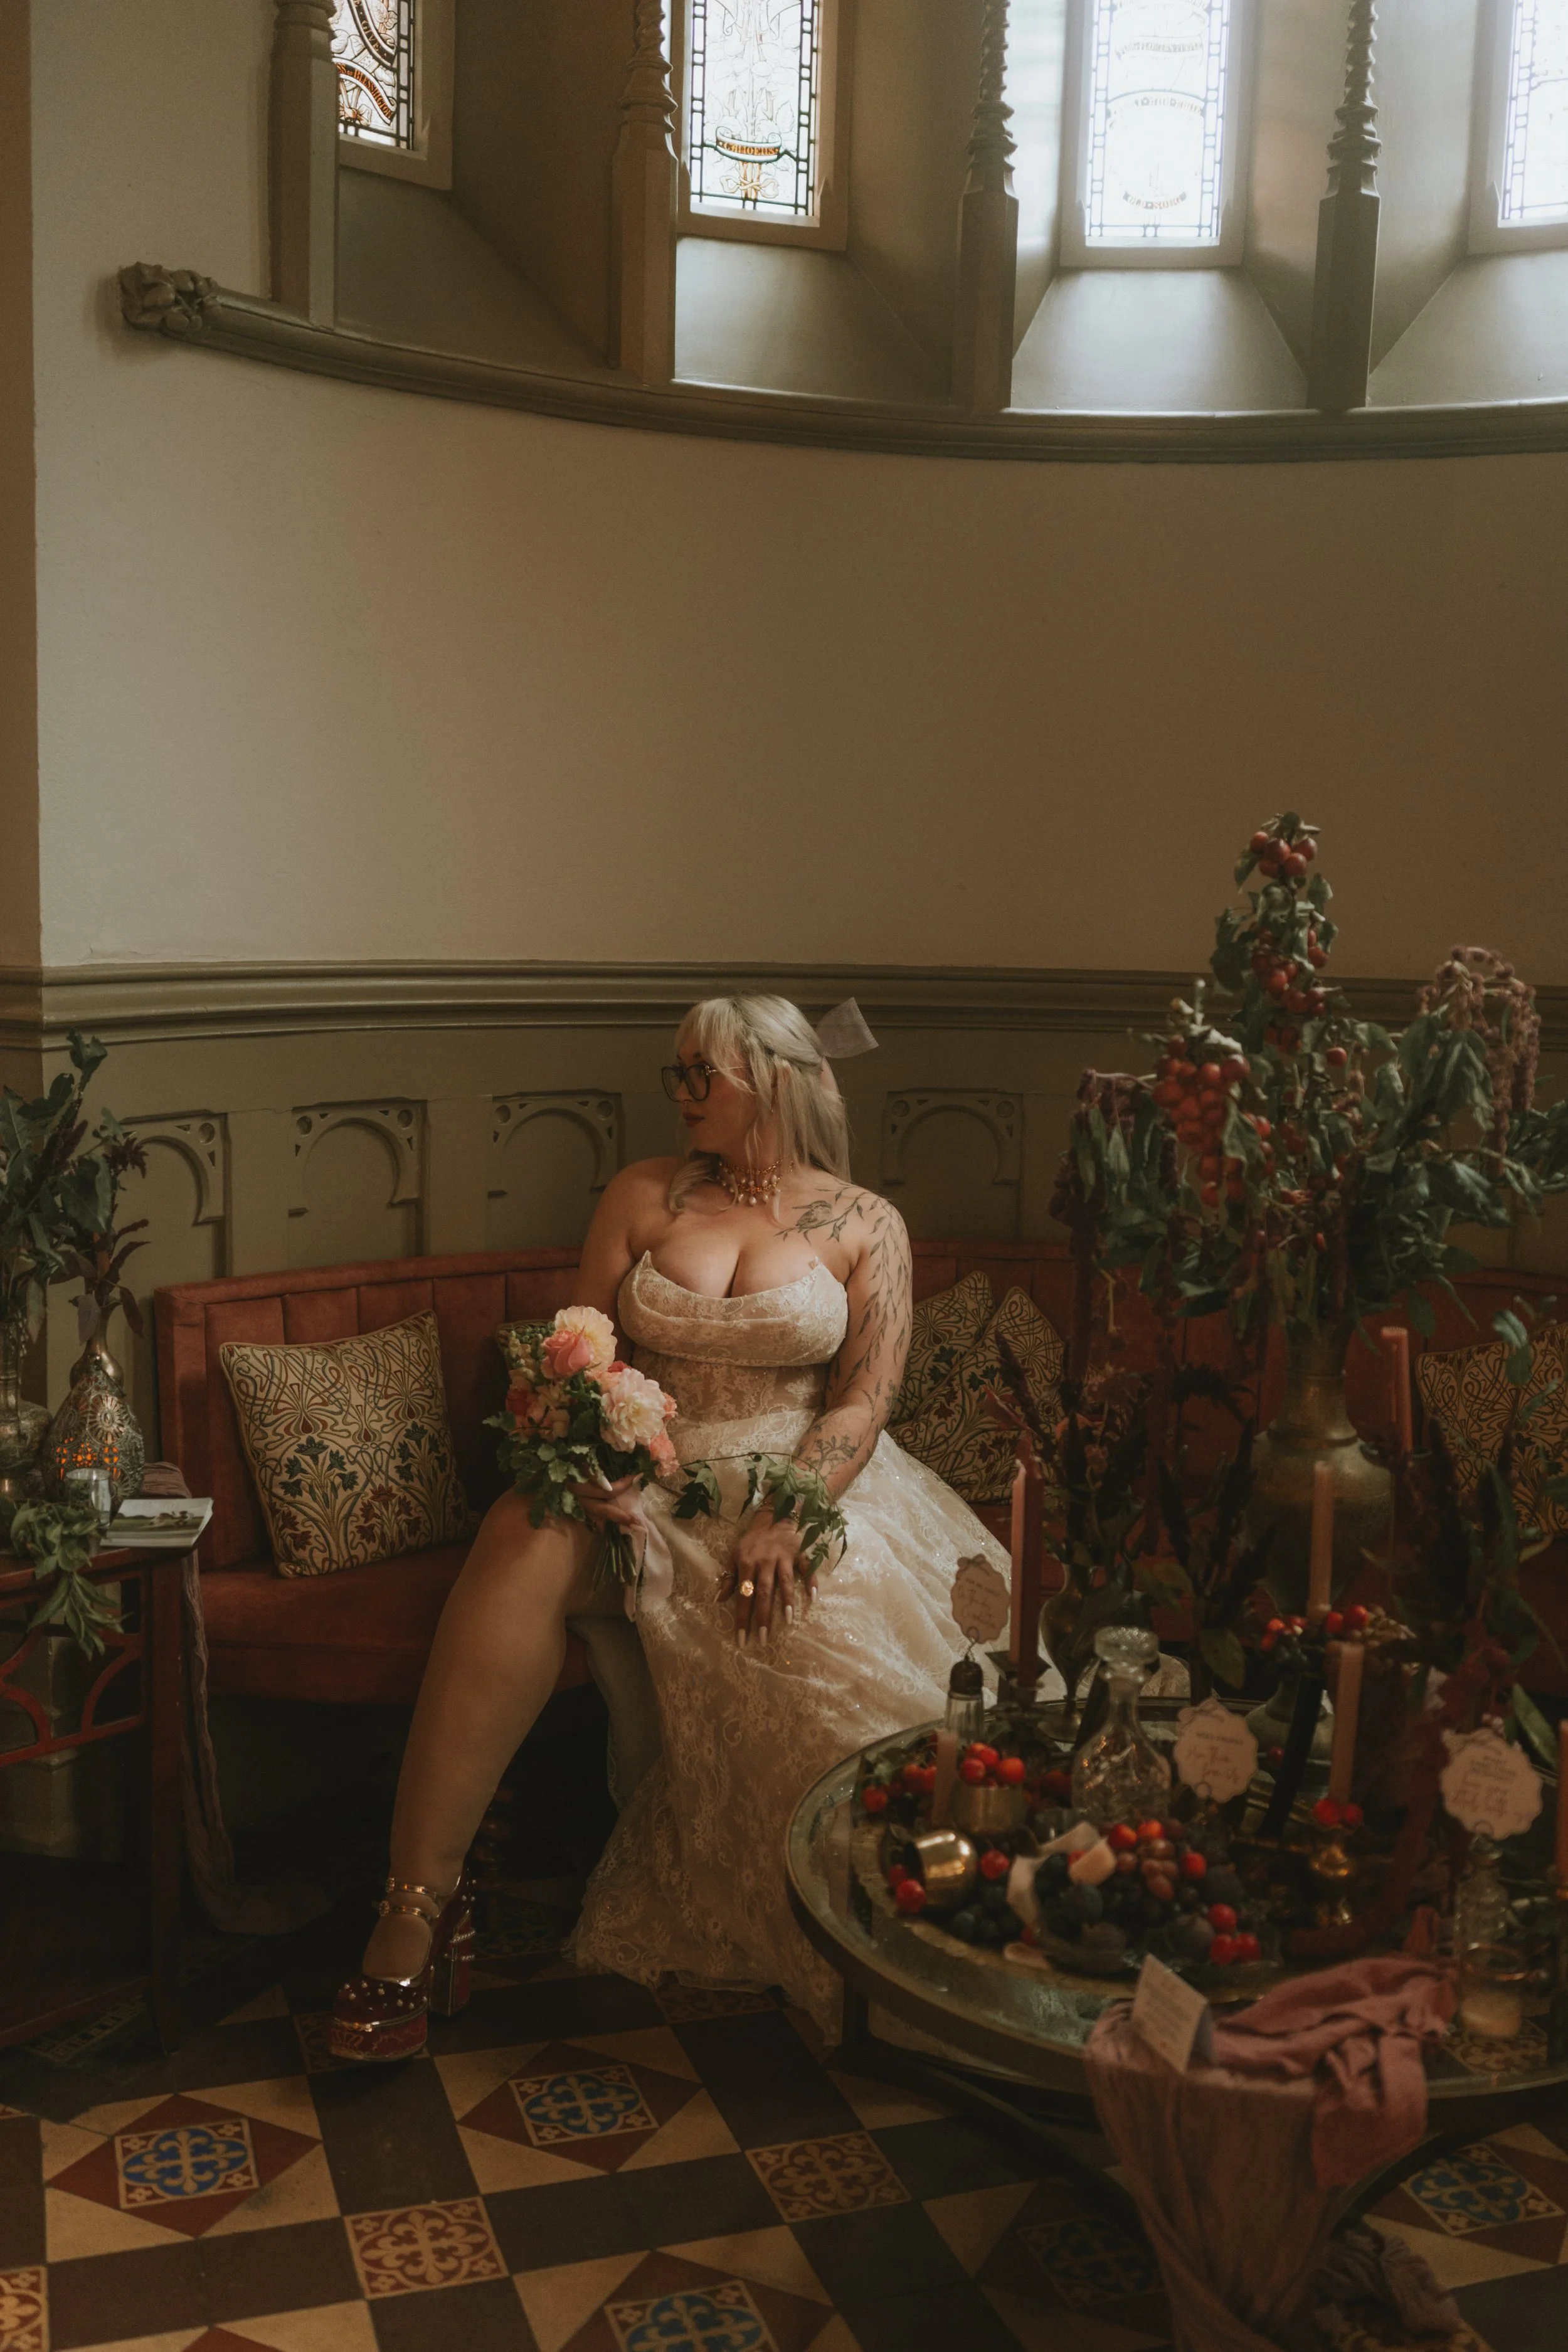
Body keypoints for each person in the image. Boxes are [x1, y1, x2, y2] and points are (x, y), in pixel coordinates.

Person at [331, 994, 1011, 2058]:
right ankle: (419, 1903)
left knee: (845, 1690)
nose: (684, 1094)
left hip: (801, 1489)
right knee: (521, 1530)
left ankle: (877, 1936)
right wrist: (588, 1450)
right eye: (678, 1075)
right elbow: (587, 1349)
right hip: (642, 1484)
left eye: (706, 1074)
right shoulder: (643, 1192)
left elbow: (863, 1401)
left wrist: (793, 1511)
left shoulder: (868, 1222)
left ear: (775, 1078)